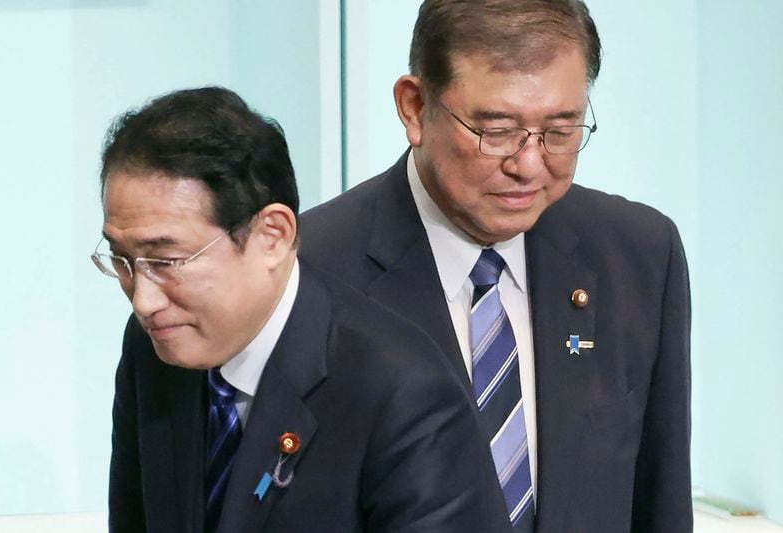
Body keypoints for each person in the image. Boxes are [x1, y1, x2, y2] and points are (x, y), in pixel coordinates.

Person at [299, 1, 692, 531]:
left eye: (560, 130)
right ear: (414, 108)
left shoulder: (638, 255)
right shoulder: (309, 273)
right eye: (498, 130)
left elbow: (658, 497)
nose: (528, 165)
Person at [92, 87, 512, 533]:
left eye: (166, 262)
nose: (144, 301)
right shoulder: (153, 348)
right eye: (121, 260)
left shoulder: (402, 390)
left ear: (272, 236)